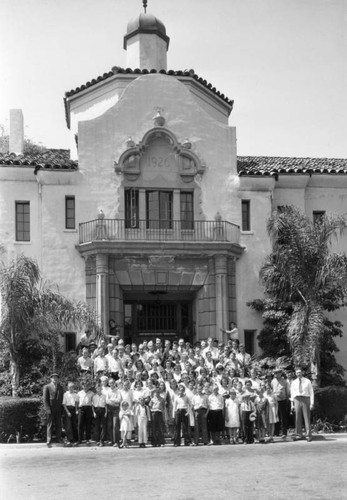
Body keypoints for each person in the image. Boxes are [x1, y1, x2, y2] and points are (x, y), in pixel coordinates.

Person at [290, 367, 314, 442]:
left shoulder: (307, 381)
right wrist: (292, 405)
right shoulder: (294, 382)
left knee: (307, 417)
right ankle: (299, 434)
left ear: (302, 372)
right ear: (295, 373)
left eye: (299, 372)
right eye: (297, 373)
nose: (298, 374)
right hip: (297, 399)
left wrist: (312, 403)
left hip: (305, 399)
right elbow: (292, 394)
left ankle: (308, 435)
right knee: (297, 417)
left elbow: (311, 392)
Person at [43, 373, 64, 447]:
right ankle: (49, 440)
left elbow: (62, 399)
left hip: (58, 408)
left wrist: (62, 409)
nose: (55, 379)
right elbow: (45, 399)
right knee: (50, 424)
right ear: (51, 379)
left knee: (59, 424)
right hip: (50, 408)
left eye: (56, 378)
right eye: (53, 378)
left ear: (58, 379)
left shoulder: (61, 387)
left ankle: (58, 438)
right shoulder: (47, 387)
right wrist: (47, 408)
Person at [271, 368, 291, 439]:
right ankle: (276, 432)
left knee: (283, 417)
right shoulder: (273, 381)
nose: (276, 374)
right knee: (276, 416)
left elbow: (288, 392)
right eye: (275, 373)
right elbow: (272, 390)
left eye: (277, 373)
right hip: (275, 401)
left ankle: (284, 432)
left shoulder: (285, 382)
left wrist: (285, 398)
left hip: (283, 401)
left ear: (280, 374)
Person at [76, 380, 94, 445]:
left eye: (87, 386)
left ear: (89, 386)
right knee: (80, 424)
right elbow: (77, 402)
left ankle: (87, 439)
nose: (85, 387)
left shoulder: (91, 393)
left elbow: (93, 402)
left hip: (88, 409)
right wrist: (76, 410)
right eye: (84, 386)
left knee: (88, 425)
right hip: (81, 409)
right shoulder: (79, 393)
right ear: (82, 386)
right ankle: (79, 439)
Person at [62, 382, 78, 446]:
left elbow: (76, 403)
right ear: (68, 387)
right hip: (67, 409)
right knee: (68, 425)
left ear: (74, 387)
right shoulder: (65, 394)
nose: (71, 388)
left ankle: (75, 439)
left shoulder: (76, 394)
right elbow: (64, 404)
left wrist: (76, 410)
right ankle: (69, 439)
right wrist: (67, 412)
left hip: (73, 409)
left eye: (72, 387)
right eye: (70, 387)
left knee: (74, 424)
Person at [92, 382, 107, 447]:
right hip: (96, 410)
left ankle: (102, 440)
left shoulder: (104, 396)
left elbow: (106, 405)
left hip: (103, 410)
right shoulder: (94, 396)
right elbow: (92, 405)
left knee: (103, 426)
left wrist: (106, 412)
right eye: (97, 388)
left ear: (101, 388)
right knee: (97, 426)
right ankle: (97, 440)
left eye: (100, 388)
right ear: (96, 389)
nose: (99, 389)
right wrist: (94, 413)